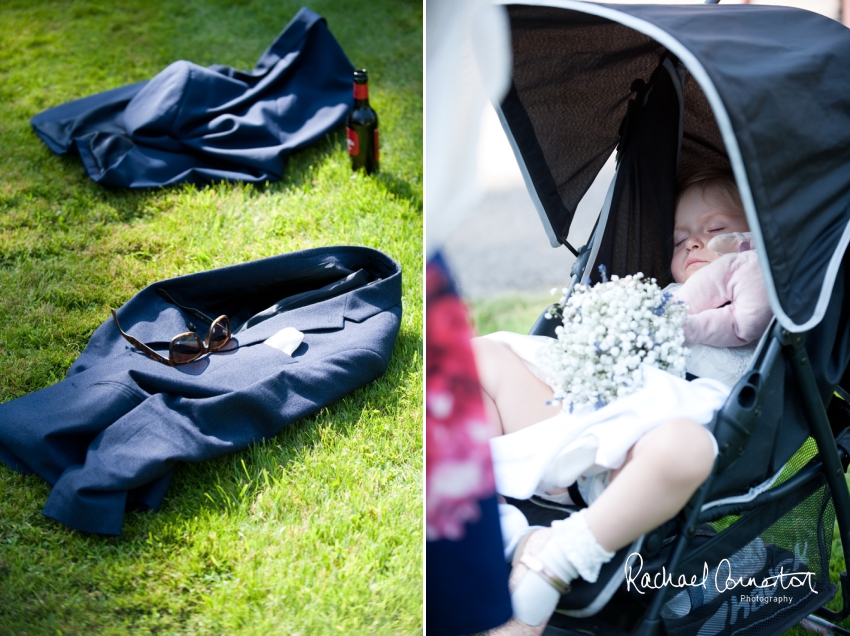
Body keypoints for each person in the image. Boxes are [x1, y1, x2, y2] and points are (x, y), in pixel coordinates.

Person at [473, 169, 770, 635]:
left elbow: (749, 318)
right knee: (480, 357)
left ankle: (556, 560)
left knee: (685, 446)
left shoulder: (761, 295)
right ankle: (509, 532)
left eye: (714, 230)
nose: (693, 245)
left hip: (641, 454)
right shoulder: (658, 297)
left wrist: (677, 319)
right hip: (580, 419)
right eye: (678, 239)